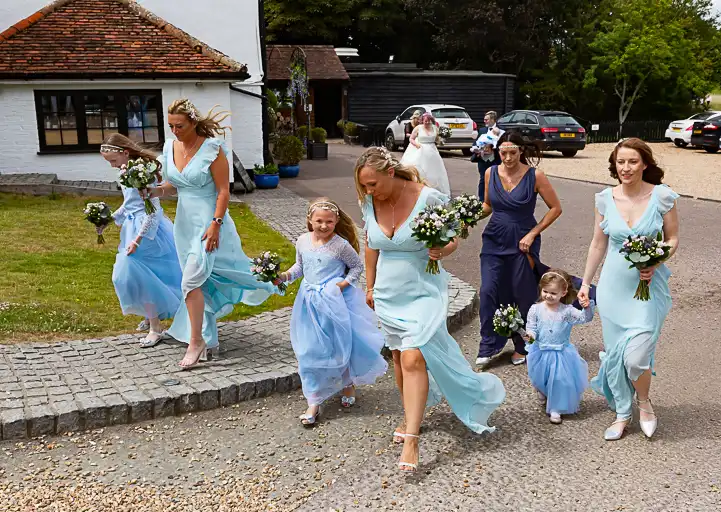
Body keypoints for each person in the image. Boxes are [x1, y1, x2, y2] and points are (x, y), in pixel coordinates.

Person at [356, 147, 505, 474]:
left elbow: (454, 239)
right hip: (388, 292)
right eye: (364, 186)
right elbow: (370, 244)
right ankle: (412, 416)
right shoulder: (369, 202)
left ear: (390, 172)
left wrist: (443, 248)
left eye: (372, 184)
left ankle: (412, 439)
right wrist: (369, 286)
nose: (369, 191)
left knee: (413, 357)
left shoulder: (429, 198)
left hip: (424, 289)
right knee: (398, 356)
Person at [146, 98, 281, 369]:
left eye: (180, 125)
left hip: (211, 222)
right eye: (171, 125)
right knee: (200, 282)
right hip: (185, 225)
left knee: (191, 282)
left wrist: (215, 223)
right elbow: (173, 185)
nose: (175, 131)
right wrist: (153, 191)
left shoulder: (213, 149)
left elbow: (223, 191)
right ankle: (207, 337)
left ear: (194, 122)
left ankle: (196, 341)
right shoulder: (169, 147)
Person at [577, 138, 679, 441]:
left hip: (647, 287)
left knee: (636, 357)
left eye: (632, 161)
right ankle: (622, 411)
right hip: (612, 289)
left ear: (645, 164)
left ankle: (644, 403)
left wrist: (657, 260)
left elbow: (672, 239)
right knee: (615, 355)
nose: (626, 168)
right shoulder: (604, 199)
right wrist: (585, 283)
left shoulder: (662, 197)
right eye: (621, 162)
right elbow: (598, 243)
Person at [278, 197, 388, 427]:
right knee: (309, 349)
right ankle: (314, 400)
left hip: (334, 303)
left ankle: (347, 382)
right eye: (319, 221)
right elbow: (300, 267)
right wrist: (285, 276)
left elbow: (357, 266)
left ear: (336, 221)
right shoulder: (302, 241)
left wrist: (344, 284)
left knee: (337, 345)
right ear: (310, 220)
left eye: (329, 221)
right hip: (308, 303)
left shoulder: (340, 245)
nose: (324, 226)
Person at [477, 132, 563, 368]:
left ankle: (522, 344)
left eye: (512, 152)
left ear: (521, 151)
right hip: (494, 239)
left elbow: (555, 208)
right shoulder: (490, 173)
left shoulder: (535, 175)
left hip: (523, 239)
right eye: (502, 152)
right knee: (488, 290)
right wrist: (465, 217)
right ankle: (488, 344)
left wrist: (533, 233)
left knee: (520, 293)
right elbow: (487, 205)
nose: (507, 157)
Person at [100, 134, 182, 348]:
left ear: (125, 153)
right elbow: (129, 204)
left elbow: (153, 210)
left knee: (140, 277)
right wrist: (109, 219)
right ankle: (151, 315)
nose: (112, 166)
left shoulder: (144, 174)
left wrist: (138, 239)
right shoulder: (126, 172)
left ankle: (156, 328)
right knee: (138, 275)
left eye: (113, 161)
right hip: (131, 227)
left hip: (147, 231)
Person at [524, 269, 593, 424]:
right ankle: (543, 389)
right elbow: (532, 327)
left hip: (560, 353)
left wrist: (587, 307)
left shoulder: (567, 311)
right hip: (540, 351)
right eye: (545, 291)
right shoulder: (536, 309)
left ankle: (556, 407)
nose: (548, 295)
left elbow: (584, 318)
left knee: (559, 380)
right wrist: (530, 335)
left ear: (563, 292)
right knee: (540, 377)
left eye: (553, 293)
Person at [400, 113, 451, 195]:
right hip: (420, 150)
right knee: (421, 168)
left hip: (432, 151)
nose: (427, 123)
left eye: (429, 121)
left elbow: (437, 139)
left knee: (434, 169)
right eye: (426, 121)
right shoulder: (418, 128)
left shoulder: (435, 128)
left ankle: (434, 188)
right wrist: (416, 144)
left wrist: (441, 141)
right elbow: (411, 139)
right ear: (422, 121)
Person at [471, 111, 502, 202]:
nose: (485, 121)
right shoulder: (482, 130)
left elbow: (503, 144)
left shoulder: (501, 130)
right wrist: (476, 149)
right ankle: (481, 199)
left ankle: (496, 199)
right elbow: (476, 142)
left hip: (495, 159)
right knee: (483, 179)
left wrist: (492, 148)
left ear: (493, 120)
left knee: (497, 178)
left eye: (486, 119)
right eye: (484, 119)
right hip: (483, 159)